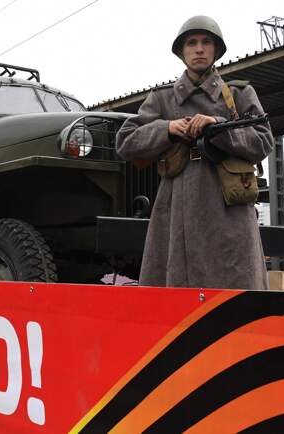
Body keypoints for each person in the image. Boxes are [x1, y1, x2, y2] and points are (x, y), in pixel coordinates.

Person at [116, 16, 273, 289]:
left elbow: (263, 142)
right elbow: (126, 142)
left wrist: (218, 127)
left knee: (235, 293)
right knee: (174, 296)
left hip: (229, 208)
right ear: (182, 51)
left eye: (206, 42)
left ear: (216, 50)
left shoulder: (238, 93)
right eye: (191, 43)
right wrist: (167, 128)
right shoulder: (162, 98)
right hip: (175, 206)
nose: (199, 49)